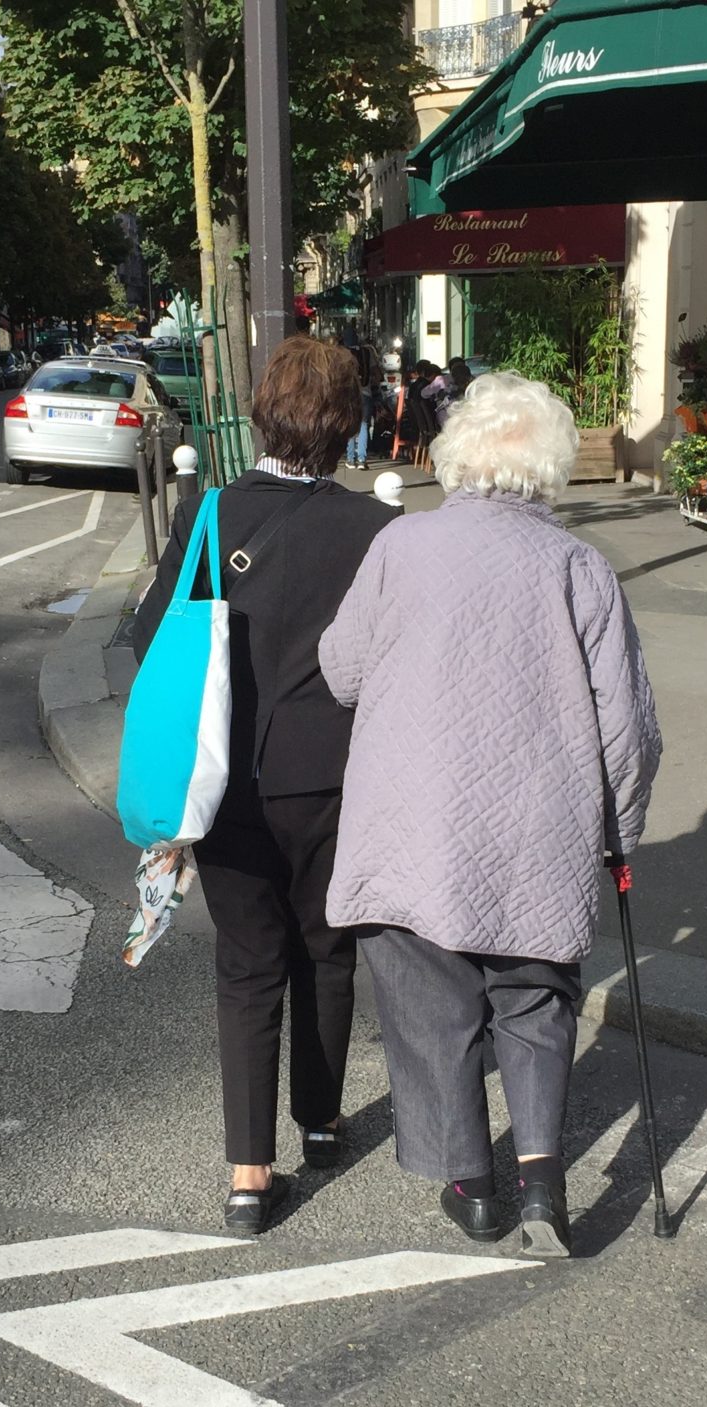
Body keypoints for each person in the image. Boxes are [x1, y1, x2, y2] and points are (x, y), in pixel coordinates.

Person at [319, 372, 662, 1258]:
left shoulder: (403, 546)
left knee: (433, 1006)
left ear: (457, 453)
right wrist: (619, 834)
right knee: (535, 996)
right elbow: (627, 724)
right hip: (539, 828)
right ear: (549, 469)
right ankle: (544, 1185)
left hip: (414, 824)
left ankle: (475, 1188)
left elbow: (341, 671)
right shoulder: (581, 566)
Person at [132, 337, 399, 1234]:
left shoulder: (209, 516)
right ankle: (321, 1122)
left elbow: (151, 640)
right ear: (347, 425)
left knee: (247, 967)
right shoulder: (376, 531)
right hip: (335, 774)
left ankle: (250, 1178)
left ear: (260, 415)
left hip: (229, 777)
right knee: (328, 947)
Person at [342, 327, 376, 471]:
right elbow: (375, 372)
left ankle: (350, 459)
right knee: (363, 426)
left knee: (350, 426)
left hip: (349, 394)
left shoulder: (342, 353)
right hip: (366, 393)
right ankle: (362, 459)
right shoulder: (367, 352)